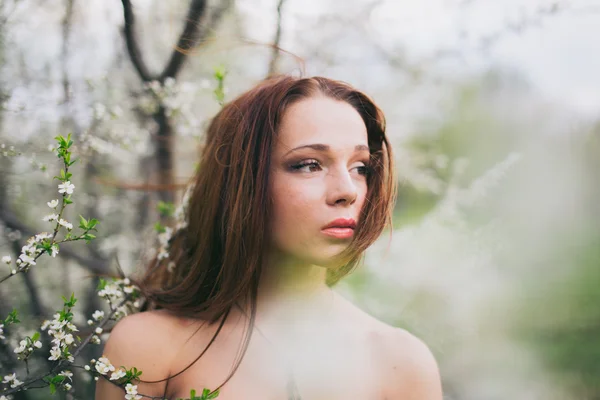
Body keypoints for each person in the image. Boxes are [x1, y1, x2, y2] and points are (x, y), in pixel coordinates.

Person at [95, 75, 443, 400]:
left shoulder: (402, 363)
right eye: (309, 164)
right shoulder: (149, 347)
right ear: (242, 182)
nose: (347, 191)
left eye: (360, 167)